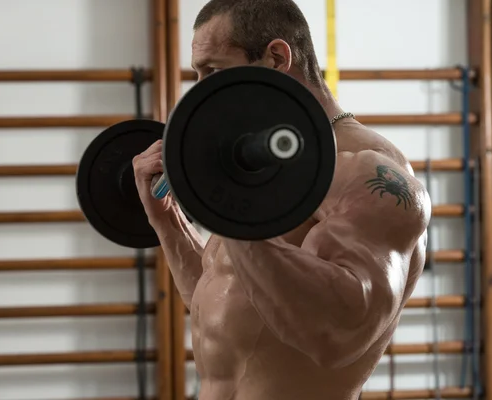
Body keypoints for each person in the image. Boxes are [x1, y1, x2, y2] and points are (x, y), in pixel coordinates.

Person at [133, 0, 431, 399]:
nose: (202, 92)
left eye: (214, 71)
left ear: (275, 58)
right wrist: (168, 222)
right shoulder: (253, 163)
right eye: (197, 74)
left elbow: (338, 334)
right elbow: (227, 299)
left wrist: (232, 217)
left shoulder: (367, 170)